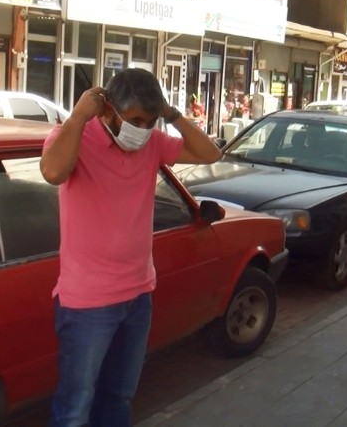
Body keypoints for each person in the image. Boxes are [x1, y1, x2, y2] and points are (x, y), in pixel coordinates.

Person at [40, 68, 222, 427]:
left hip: (138, 296)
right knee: (75, 406)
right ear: (107, 109)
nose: (142, 129)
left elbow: (210, 153)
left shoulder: (153, 142)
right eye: (135, 119)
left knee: (119, 397)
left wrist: (171, 115)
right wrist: (78, 116)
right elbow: (53, 172)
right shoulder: (75, 136)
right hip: (88, 304)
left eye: (150, 121)